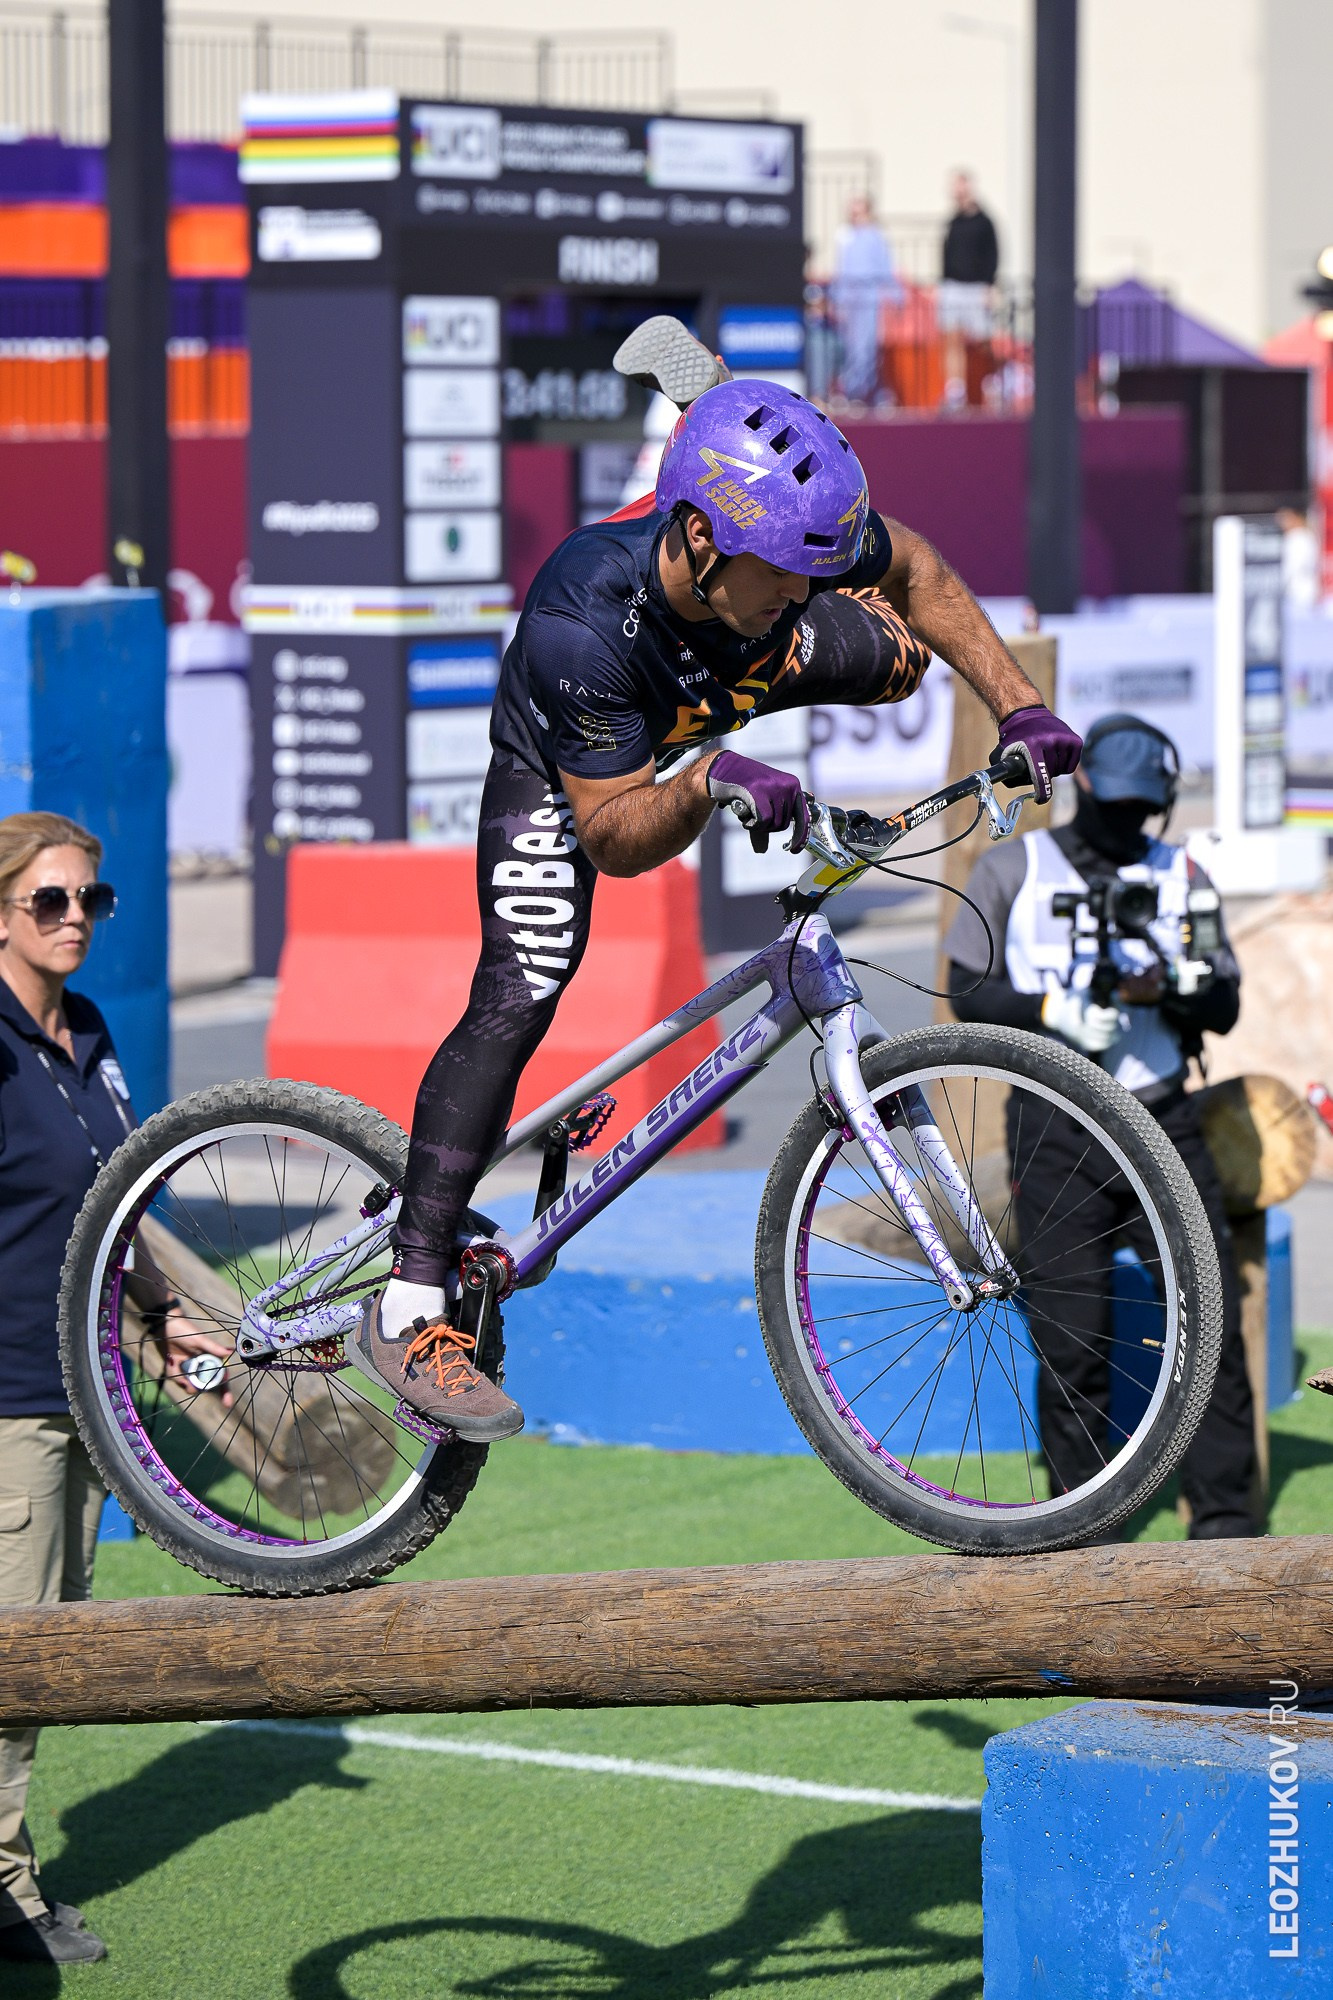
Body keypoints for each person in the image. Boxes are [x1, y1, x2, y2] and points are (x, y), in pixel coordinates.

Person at [350, 318, 1084, 1439]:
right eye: (786, 570)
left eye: (811, 572)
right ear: (697, 537)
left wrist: (1015, 703)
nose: (806, 589)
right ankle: (407, 1303)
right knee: (523, 982)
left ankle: (708, 407)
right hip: (583, 763)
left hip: (731, 665)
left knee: (897, 658)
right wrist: (703, 783)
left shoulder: (768, 583)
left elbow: (919, 567)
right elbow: (617, 838)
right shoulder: (576, 623)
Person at [943, 715, 1260, 1538]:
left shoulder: (1183, 870)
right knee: (1070, 1337)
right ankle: (1083, 1536)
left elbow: (1223, 1003)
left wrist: (1172, 992)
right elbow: (964, 991)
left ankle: (1226, 1527)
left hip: (1163, 1116)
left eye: (1142, 809)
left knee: (1209, 1328)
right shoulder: (1013, 866)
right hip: (1058, 1126)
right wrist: (1052, 1009)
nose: (1129, 824)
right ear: (1081, 785)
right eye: (1116, 805)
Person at [0, 812, 224, 1966]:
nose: (76, 916)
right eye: (51, 900)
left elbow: (111, 1210)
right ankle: (4, 1887)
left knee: (49, 1644)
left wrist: (161, 1319)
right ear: (1, 911)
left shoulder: (86, 1029)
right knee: (17, 1649)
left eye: (92, 898)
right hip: (9, 1398)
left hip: (88, 1386)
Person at [831, 194, 902, 406]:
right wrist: (838, 298)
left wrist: (896, 297)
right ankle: (851, 392)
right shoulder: (844, 236)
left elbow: (886, 267)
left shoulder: (876, 236)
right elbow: (840, 270)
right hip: (848, 295)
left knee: (865, 347)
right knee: (848, 347)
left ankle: (862, 392)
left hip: (868, 294)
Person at [938, 171, 999, 409]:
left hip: (976, 288)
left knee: (984, 340)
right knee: (951, 337)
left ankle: (991, 383)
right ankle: (955, 390)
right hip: (952, 286)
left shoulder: (984, 221)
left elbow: (993, 254)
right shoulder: (953, 221)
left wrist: (989, 285)